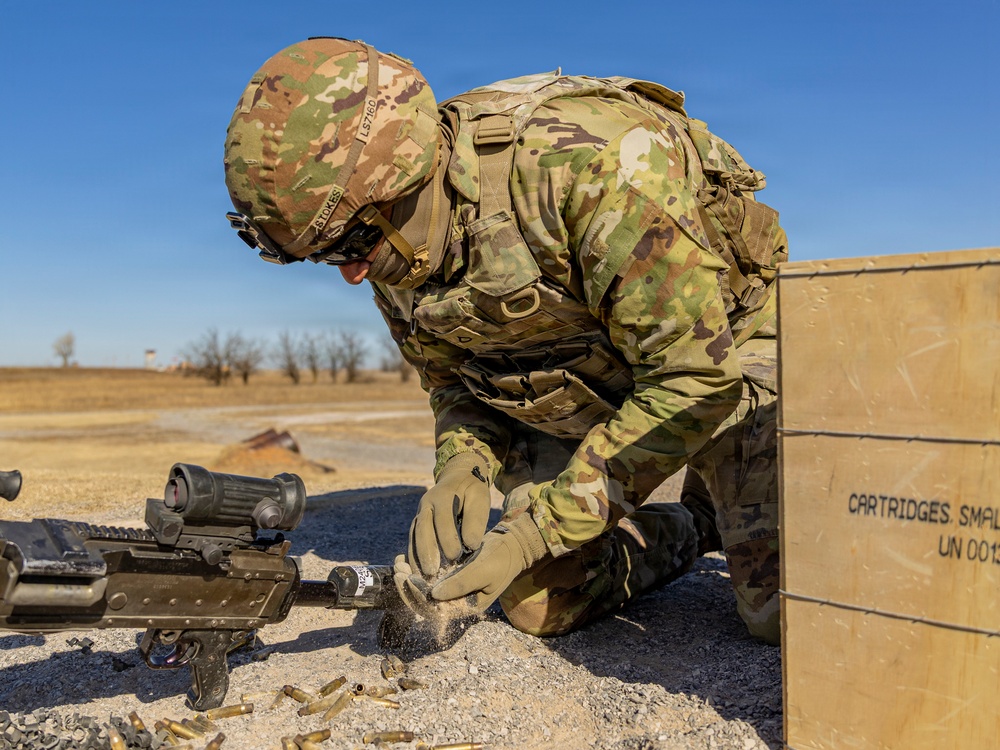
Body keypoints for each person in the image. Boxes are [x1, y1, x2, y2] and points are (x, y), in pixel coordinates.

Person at [223, 37, 788, 644]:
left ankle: (731, 479)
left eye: (350, 246)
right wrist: (462, 466)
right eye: (326, 256)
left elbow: (692, 377)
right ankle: (699, 521)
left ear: (405, 182)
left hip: (726, 346)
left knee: (781, 617)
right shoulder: (399, 247)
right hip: (599, 373)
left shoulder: (590, 166)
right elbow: (452, 381)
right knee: (543, 601)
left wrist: (533, 529)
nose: (351, 273)